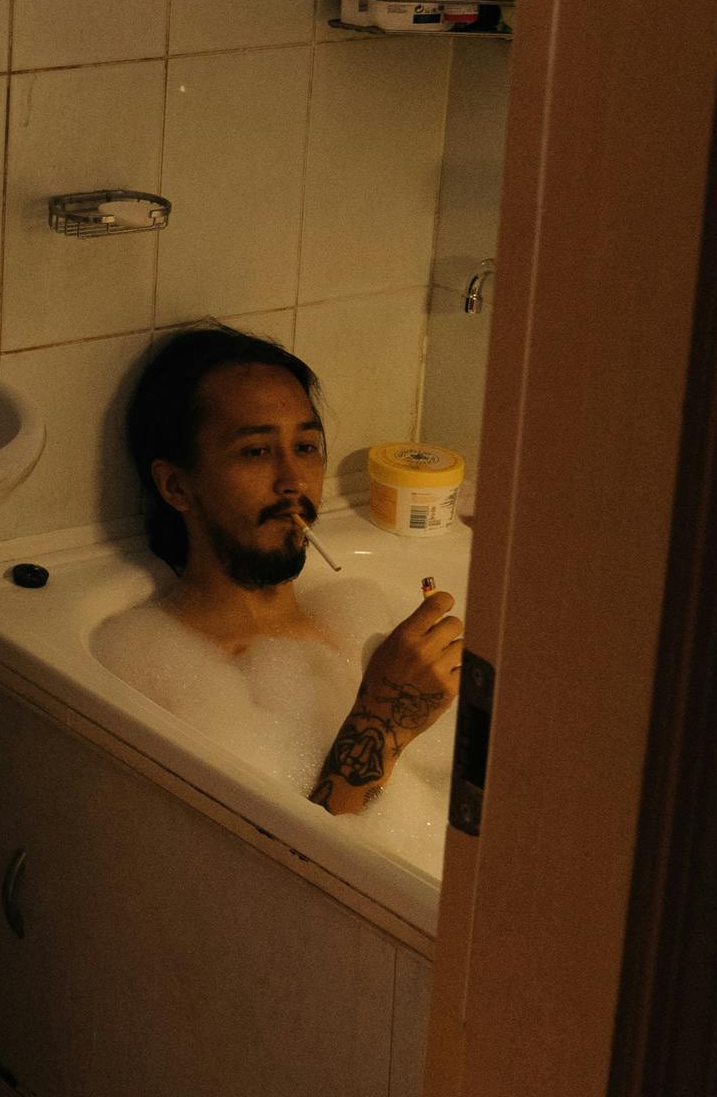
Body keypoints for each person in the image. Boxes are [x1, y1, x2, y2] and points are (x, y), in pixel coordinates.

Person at [117, 324, 463, 816]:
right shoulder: (157, 679)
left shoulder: (360, 623)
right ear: (176, 485)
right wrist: (383, 721)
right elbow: (287, 872)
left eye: (305, 447)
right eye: (257, 452)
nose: (293, 480)